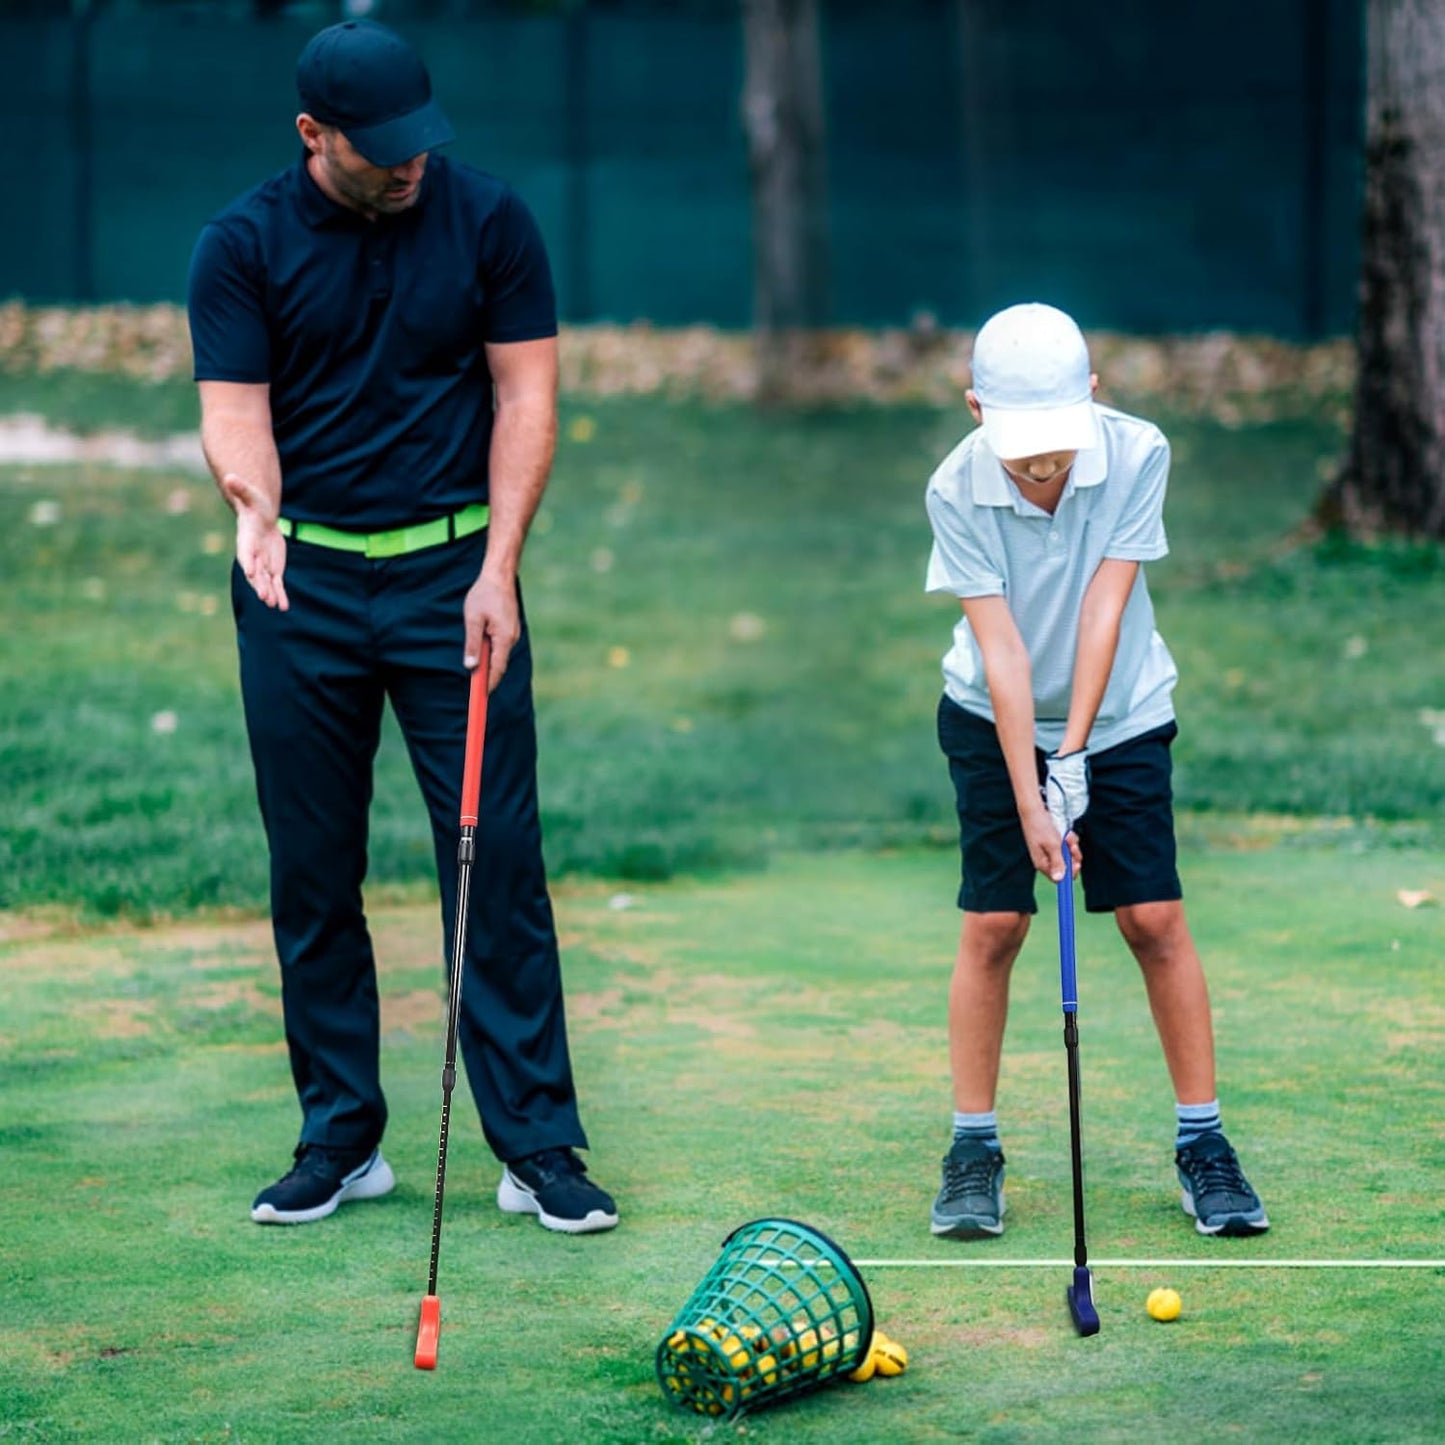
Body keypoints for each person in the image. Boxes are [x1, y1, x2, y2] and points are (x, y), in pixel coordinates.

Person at [186, 18, 617, 1234]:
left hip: (454, 582)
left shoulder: (489, 220)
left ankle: (536, 1144)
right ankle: (340, 1137)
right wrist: (253, 507)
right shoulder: (242, 242)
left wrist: (499, 565)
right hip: (300, 586)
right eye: (380, 148)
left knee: (497, 863)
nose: (408, 162)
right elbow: (236, 408)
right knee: (312, 869)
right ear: (312, 134)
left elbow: (527, 394)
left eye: (419, 138)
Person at [923, 302, 1267, 1240]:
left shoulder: (1136, 452)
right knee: (993, 922)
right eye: (1022, 449)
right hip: (991, 717)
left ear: (1093, 398)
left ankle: (1204, 1142)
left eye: (1056, 446)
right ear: (973, 411)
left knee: (1152, 915)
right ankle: (972, 1148)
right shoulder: (954, 487)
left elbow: (1101, 613)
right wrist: (1031, 785)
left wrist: (1071, 756)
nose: (1043, 469)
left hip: (1120, 714)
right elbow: (1001, 652)